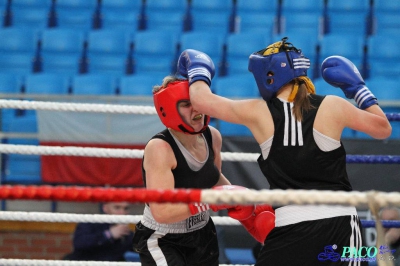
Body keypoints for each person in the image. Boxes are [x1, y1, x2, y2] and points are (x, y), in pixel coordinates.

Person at [177, 37, 392, 265]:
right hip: (340, 225)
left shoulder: (258, 112)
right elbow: (383, 128)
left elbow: (200, 99)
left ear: (268, 75)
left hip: (290, 228)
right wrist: (357, 88)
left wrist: (199, 67)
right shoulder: (332, 105)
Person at [131, 76, 275, 266]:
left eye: (197, 102)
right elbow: (162, 212)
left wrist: (247, 206)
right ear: (168, 108)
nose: (196, 109)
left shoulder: (212, 136)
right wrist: (207, 200)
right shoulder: (160, 148)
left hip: (202, 232)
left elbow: (212, 180)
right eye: (186, 104)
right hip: (164, 238)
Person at [63, 201, 136, 261]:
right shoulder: (90, 222)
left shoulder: (127, 234)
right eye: (117, 208)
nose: (122, 212)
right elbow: (79, 243)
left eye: (126, 208)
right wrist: (109, 234)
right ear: (105, 208)